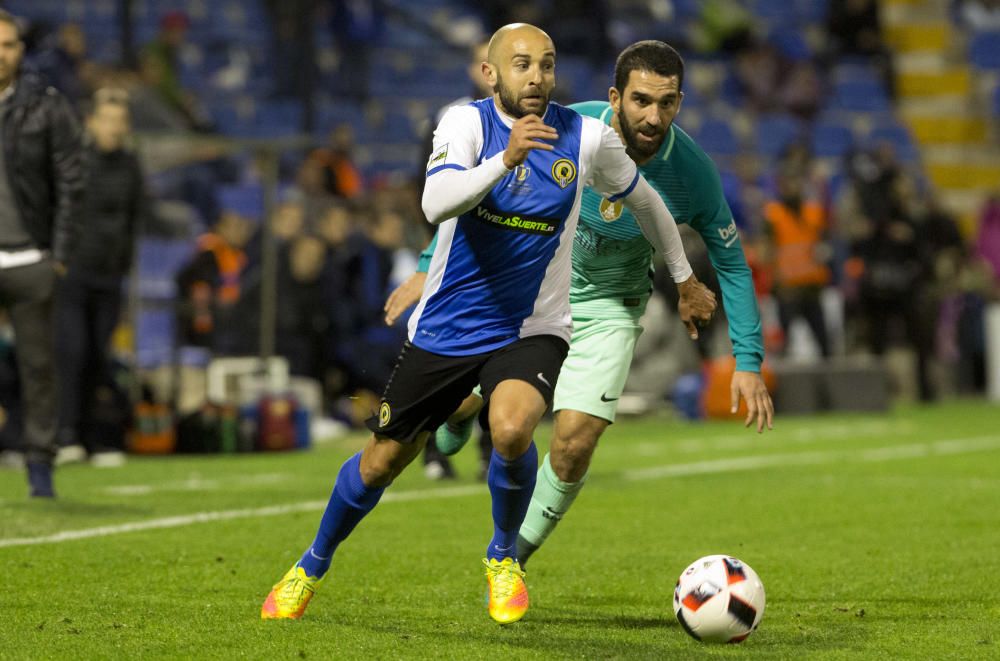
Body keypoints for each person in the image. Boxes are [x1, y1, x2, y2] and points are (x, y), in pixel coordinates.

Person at [261, 24, 715, 625]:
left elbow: (647, 201)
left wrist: (683, 277)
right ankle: (310, 566)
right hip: (449, 326)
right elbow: (435, 203)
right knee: (380, 464)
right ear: (491, 74)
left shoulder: (585, 137)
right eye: (522, 64)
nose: (537, 77)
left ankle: (503, 557)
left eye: (547, 65)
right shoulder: (464, 125)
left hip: (533, 326)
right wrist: (506, 159)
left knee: (512, 428)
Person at [416, 40, 773, 564]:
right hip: (534, 291)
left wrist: (747, 361)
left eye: (667, 102)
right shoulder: (572, 128)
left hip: (612, 306)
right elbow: (480, 196)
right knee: (469, 407)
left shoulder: (692, 172)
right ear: (615, 96)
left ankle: (509, 559)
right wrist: (428, 263)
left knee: (574, 442)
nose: (654, 116)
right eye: (641, 101)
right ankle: (460, 412)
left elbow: (732, 263)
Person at [0, 11, 83, 496]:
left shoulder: (46, 105)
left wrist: (59, 253)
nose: (0, 53)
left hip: (31, 257)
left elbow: (73, 178)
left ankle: (39, 465)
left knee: (39, 369)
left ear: (21, 50)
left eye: (8, 44)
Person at [56, 88, 148, 466]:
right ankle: (64, 436)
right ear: (90, 122)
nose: (114, 128)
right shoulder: (71, 160)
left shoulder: (131, 166)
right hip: (72, 273)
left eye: (120, 121)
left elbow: (135, 219)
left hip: (110, 276)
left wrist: (125, 265)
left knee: (99, 356)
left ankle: (95, 438)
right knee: (71, 352)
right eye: (107, 119)